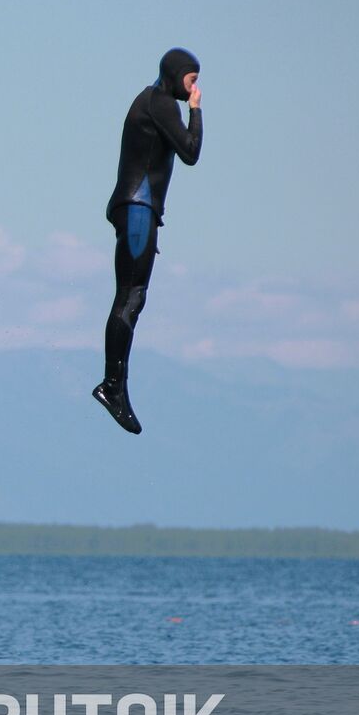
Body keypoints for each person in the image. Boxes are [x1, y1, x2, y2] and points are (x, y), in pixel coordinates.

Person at [95, 47, 203, 434]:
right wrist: (195, 109)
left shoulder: (152, 101)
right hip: (138, 209)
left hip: (137, 210)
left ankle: (115, 385)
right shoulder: (160, 103)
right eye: (191, 79)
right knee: (130, 296)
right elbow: (190, 152)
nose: (195, 86)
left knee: (131, 297)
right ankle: (112, 387)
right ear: (176, 76)